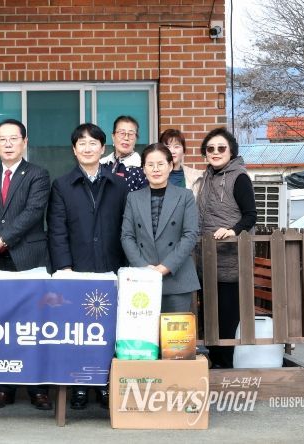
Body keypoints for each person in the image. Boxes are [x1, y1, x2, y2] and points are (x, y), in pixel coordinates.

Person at [47, 123, 128, 409]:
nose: (87, 148)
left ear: (103, 149)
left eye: (93, 143)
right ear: (74, 150)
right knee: (78, 330)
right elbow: (57, 230)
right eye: (81, 143)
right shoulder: (62, 185)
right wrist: (64, 267)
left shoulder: (118, 185)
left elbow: (126, 228)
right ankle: (79, 386)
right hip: (76, 269)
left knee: (108, 330)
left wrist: (124, 267)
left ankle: (105, 384)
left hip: (110, 267)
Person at [0, 119, 53, 411]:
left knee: (33, 326)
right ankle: (3, 388)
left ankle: (38, 389)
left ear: (24, 142)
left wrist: (1, 240)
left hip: (29, 259)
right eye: (2, 140)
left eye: (13, 139)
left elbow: (33, 213)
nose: (8, 144)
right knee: (0, 326)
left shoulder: (38, 174)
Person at [193, 127, 257, 368]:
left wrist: (233, 230)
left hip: (230, 263)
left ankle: (226, 368)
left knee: (227, 321)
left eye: (221, 148)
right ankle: (214, 364)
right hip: (207, 262)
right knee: (210, 318)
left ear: (231, 152)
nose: (215, 152)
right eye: (210, 148)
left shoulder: (239, 177)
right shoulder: (206, 177)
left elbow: (251, 215)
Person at [120, 143, 200, 314]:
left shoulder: (185, 196)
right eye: (150, 165)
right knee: (142, 329)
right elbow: (127, 236)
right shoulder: (133, 198)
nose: (155, 169)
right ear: (144, 169)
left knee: (175, 331)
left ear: (170, 166)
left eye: (161, 164)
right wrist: (143, 267)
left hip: (177, 277)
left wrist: (165, 267)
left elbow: (190, 235)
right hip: (142, 278)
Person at [99, 115, 148, 192]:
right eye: (122, 133)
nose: (126, 138)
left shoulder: (143, 168)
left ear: (136, 139)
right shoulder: (101, 164)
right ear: (113, 137)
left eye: (131, 134)